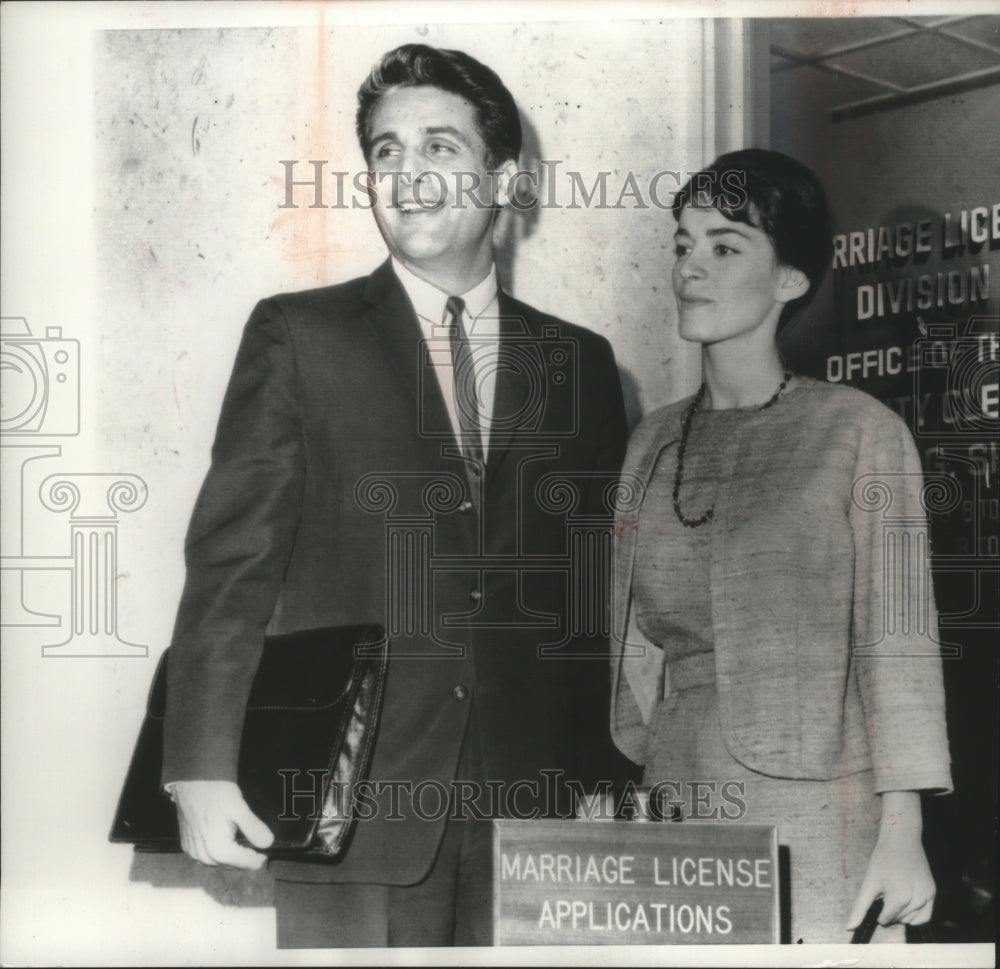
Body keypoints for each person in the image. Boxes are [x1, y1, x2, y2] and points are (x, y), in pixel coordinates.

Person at [162, 44, 628, 948]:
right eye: (385, 151)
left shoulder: (582, 363)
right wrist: (201, 766)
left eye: (440, 148)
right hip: (354, 804)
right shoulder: (299, 335)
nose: (407, 176)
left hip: (535, 818)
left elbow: (591, 590)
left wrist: (602, 771)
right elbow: (232, 563)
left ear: (504, 177)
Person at [609, 148, 952, 943]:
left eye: (725, 246)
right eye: (684, 243)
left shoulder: (859, 430)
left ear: (790, 280)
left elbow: (898, 643)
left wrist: (903, 832)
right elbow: (632, 651)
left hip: (822, 809)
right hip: (679, 802)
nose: (692, 266)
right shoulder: (650, 443)